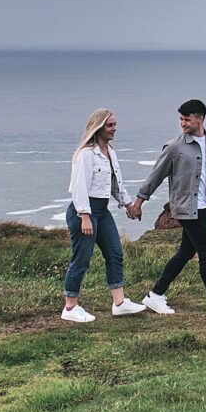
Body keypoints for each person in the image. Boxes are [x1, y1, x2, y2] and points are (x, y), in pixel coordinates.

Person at [130, 99, 206, 317]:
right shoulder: (174, 147)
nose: (182, 123)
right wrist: (139, 202)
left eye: (186, 119)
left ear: (200, 119)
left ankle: (155, 295)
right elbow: (156, 175)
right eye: (180, 119)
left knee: (186, 251)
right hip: (187, 208)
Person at [61, 109, 147, 322]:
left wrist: (129, 205)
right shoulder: (86, 155)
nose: (114, 129)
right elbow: (79, 187)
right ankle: (70, 308)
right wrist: (85, 216)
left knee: (115, 253)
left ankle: (119, 303)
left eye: (115, 124)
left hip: (102, 211)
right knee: (81, 259)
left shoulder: (110, 151)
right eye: (110, 125)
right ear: (98, 128)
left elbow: (115, 185)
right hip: (84, 212)